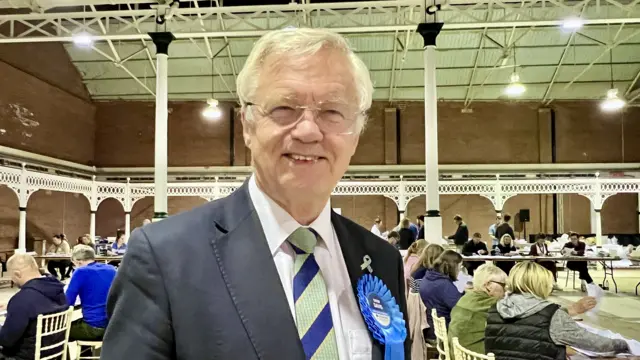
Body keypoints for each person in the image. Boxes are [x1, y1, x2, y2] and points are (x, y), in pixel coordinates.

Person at [101, 28, 409, 360]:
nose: (307, 130)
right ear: (247, 125)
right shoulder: (164, 257)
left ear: (356, 134)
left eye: (332, 111)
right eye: (284, 108)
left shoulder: (382, 260)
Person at [485, 262, 629, 359]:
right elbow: (596, 344)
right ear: (540, 285)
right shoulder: (552, 315)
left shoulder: (495, 309)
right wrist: (625, 345)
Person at [0, 253, 68, 360]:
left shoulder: (22, 299)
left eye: (12, 276)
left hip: (26, 356)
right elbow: (40, 305)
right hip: (55, 353)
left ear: (17, 274)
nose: (13, 280)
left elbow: (6, 340)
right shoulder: (58, 290)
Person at [449, 264, 507, 354]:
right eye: (503, 285)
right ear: (488, 285)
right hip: (477, 355)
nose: (505, 290)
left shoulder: (465, 299)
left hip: (457, 354)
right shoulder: (494, 307)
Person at [66, 245, 117, 341]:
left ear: (78, 262)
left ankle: (66, 356)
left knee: (59, 333)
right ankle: (87, 353)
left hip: (94, 327)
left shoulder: (80, 271)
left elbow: (68, 302)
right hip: (113, 326)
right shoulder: (111, 269)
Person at [419, 250, 464, 341]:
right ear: (452, 267)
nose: (460, 270)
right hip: (439, 331)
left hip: (429, 327)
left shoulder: (429, 276)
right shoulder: (444, 285)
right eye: (459, 267)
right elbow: (459, 307)